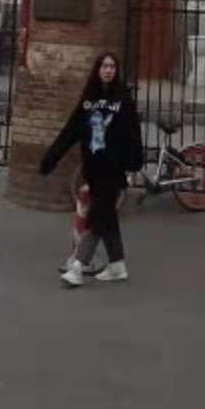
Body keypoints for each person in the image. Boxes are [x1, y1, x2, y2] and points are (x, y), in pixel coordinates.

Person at [41, 51, 143, 286]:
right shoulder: (89, 99)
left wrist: (134, 162)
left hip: (113, 168)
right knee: (107, 217)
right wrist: (51, 158)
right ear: (97, 70)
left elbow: (133, 132)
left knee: (97, 216)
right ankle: (117, 265)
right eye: (104, 66)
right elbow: (71, 130)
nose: (108, 70)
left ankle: (78, 266)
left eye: (112, 67)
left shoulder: (122, 99)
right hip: (94, 169)